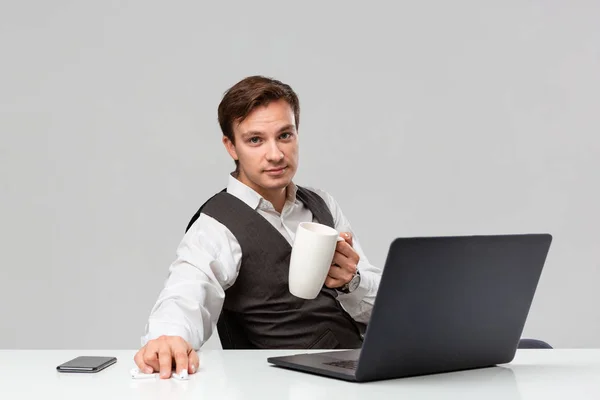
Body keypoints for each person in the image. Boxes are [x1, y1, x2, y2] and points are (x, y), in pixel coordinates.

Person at [134, 76, 382, 378]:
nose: (276, 154)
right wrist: (168, 337)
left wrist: (351, 282)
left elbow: (380, 313)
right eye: (255, 140)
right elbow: (186, 292)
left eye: (285, 136)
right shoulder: (217, 224)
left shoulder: (322, 204)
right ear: (231, 147)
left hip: (362, 365)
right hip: (284, 382)